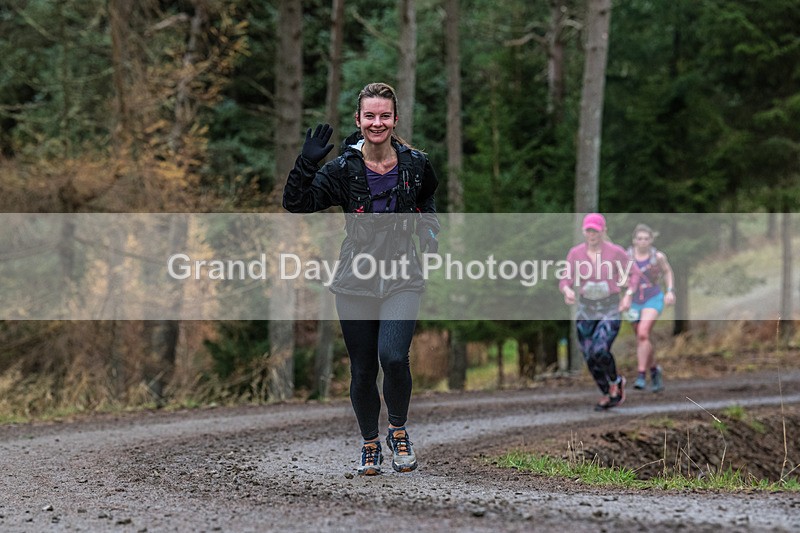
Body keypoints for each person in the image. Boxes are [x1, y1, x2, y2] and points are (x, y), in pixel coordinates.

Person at [282, 82, 439, 475]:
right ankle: (370, 443)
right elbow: (296, 203)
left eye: (384, 115)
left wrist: (429, 231)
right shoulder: (342, 169)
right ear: (358, 120)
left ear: (395, 119)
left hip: (402, 274)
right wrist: (306, 164)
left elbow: (427, 199)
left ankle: (398, 431)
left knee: (394, 357)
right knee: (364, 369)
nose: (377, 122)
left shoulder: (416, 164)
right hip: (355, 279)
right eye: (370, 116)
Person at [559, 213, 641, 410]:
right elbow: (565, 278)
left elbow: (635, 274)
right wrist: (567, 290)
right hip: (586, 309)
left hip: (609, 307)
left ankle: (615, 382)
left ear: (603, 231)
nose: (592, 235)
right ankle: (606, 392)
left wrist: (629, 295)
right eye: (588, 231)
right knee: (589, 356)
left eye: (595, 231)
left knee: (600, 350)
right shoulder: (576, 253)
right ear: (583, 232)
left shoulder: (615, 252)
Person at [626, 223, 675, 393]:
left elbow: (667, 272)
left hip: (653, 298)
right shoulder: (626, 257)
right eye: (639, 239)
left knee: (643, 333)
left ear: (651, 240)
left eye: (646, 239)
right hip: (633, 301)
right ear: (634, 240)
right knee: (642, 339)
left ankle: (641, 375)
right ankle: (654, 370)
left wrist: (670, 291)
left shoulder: (657, 257)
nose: (643, 242)